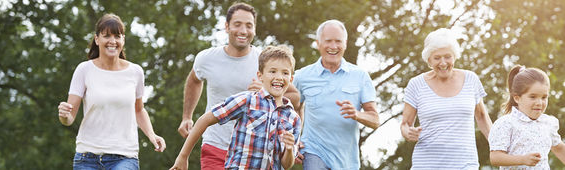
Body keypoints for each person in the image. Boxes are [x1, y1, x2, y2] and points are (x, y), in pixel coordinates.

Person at [176, 2, 299, 169]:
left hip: (256, 153)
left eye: (249, 25)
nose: (243, 31)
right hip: (216, 144)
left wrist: (266, 93)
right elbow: (194, 80)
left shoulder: (266, 62)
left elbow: (295, 96)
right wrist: (187, 116)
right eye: (237, 24)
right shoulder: (207, 58)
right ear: (227, 26)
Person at [57, 14, 166, 170]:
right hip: (87, 158)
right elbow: (69, 117)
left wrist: (152, 135)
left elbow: (139, 110)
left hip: (125, 157)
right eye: (106, 36)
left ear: (123, 40)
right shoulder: (84, 70)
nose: (112, 41)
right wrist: (64, 115)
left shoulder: (135, 72)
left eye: (117, 36)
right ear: (97, 39)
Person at [293, 20, 380, 170]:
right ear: (318, 43)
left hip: (346, 159)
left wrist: (356, 114)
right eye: (328, 41)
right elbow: (292, 108)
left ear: (345, 44)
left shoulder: (360, 76)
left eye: (338, 41)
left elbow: (375, 119)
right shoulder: (302, 76)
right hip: (313, 150)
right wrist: (294, 140)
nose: (333, 47)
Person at [400, 28, 492, 169]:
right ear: (429, 60)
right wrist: (408, 133)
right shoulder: (416, 84)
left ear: (455, 56)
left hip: (465, 164)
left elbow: (481, 116)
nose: (443, 63)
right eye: (437, 58)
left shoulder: (471, 79)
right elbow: (405, 124)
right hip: (426, 165)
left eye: (447, 56)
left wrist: (498, 146)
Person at [489, 65, 565, 169]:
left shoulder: (548, 123)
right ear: (517, 98)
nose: (539, 103)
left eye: (544, 97)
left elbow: (559, 148)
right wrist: (522, 159)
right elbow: (495, 157)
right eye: (532, 97)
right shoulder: (506, 123)